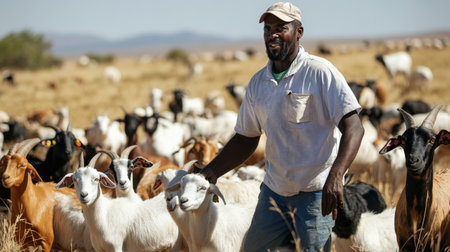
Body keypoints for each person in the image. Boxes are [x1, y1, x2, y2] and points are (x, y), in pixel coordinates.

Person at [200, 2, 364, 252]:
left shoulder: (319, 72)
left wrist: (336, 176)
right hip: (274, 193)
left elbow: (354, 127)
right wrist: (211, 171)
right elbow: (246, 138)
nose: (272, 34)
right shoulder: (258, 83)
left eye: (281, 28)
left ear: (299, 32)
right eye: (267, 29)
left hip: (316, 194)